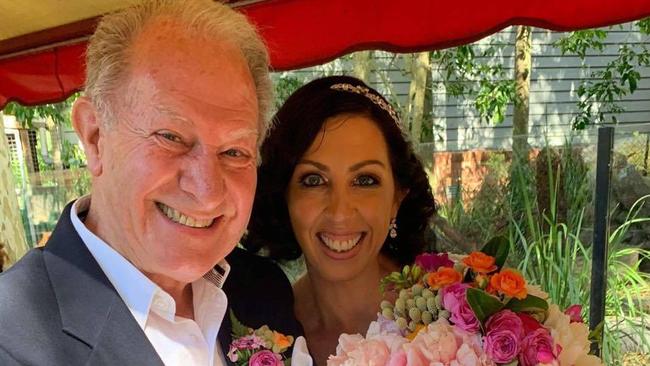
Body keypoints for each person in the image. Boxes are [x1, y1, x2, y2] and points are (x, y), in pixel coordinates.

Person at [0, 1, 304, 365]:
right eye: (171, 137)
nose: (206, 192)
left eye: (235, 152)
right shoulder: (12, 338)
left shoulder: (262, 289)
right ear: (95, 138)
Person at [243, 75, 437, 364]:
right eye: (313, 180)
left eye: (364, 180)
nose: (340, 211)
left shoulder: (459, 309)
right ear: (283, 196)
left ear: (397, 197)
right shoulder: (265, 328)